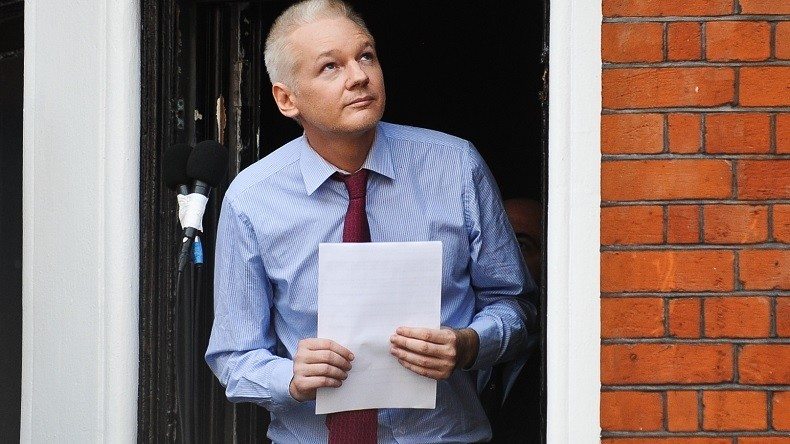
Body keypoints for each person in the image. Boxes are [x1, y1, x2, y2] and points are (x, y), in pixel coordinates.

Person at [205, 1, 536, 442]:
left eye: (366, 56)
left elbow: (518, 308)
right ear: (286, 99)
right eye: (330, 67)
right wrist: (290, 378)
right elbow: (234, 357)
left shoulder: (456, 167)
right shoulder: (252, 199)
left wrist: (468, 344)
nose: (359, 76)